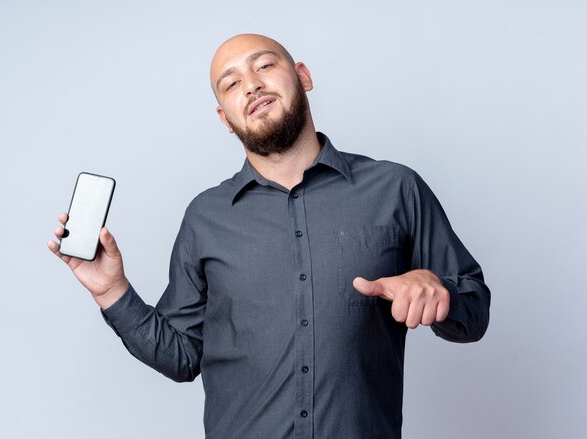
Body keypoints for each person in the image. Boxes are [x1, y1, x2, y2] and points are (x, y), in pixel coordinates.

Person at [48, 34, 490, 439]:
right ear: (225, 117)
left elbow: (474, 308)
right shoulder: (206, 217)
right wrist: (111, 292)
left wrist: (442, 293)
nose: (251, 85)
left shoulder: (395, 189)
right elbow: (181, 357)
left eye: (264, 66)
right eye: (231, 82)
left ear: (303, 77)